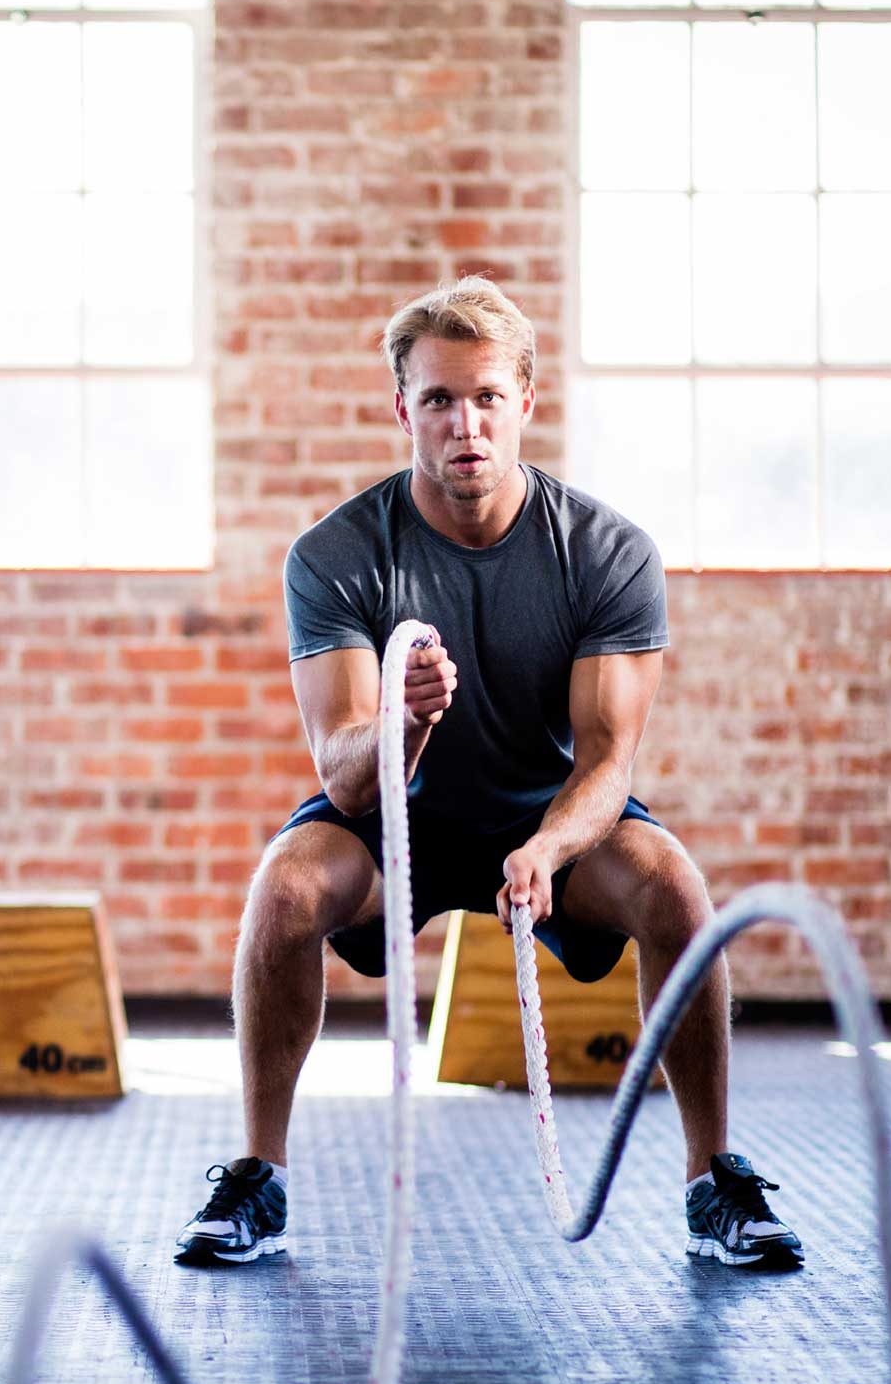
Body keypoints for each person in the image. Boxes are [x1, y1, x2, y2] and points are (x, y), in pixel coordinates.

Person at [173, 276, 802, 1271]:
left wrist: (549, 847)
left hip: (541, 818)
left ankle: (713, 1178)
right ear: (401, 410)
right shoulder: (336, 556)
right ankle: (258, 1174)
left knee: (676, 884)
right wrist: (406, 722)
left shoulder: (606, 552)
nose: (464, 424)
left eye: (486, 398)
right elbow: (344, 780)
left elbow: (607, 759)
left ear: (526, 404)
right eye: (437, 400)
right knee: (284, 889)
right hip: (391, 826)